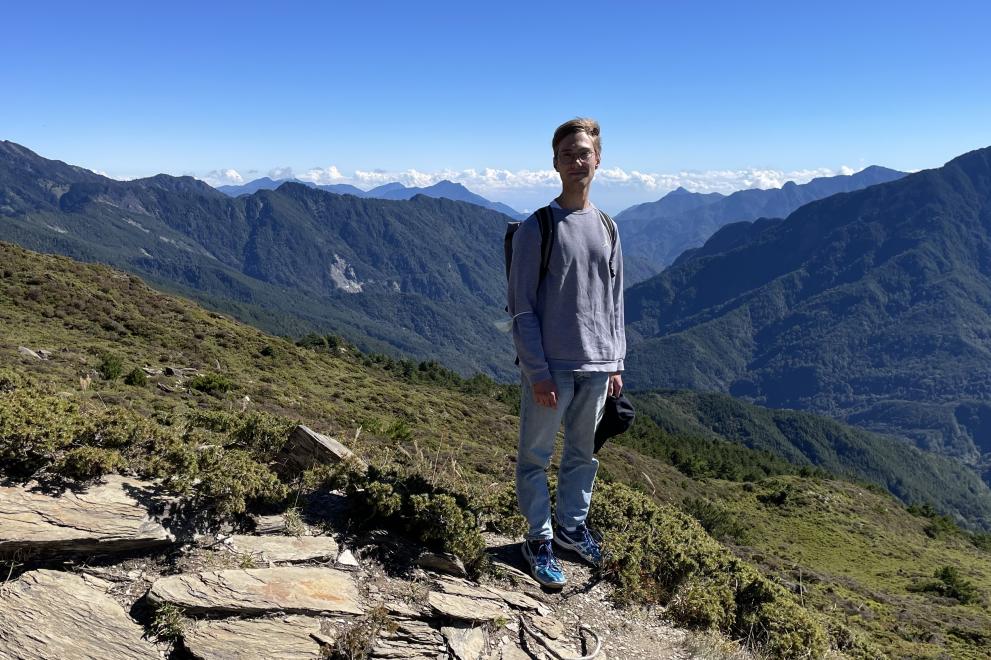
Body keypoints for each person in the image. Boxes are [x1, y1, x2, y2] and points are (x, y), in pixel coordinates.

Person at [507, 117, 625, 587]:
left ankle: (571, 531)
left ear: (599, 159)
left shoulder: (609, 227)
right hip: (552, 369)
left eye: (585, 153)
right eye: (568, 154)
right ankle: (539, 540)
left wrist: (617, 363)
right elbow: (522, 309)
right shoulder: (538, 228)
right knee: (534, 457)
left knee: (582, 455)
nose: (578, 161)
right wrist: (537, 372)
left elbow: (615, 301)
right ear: (555, 163)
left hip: (598, 367)